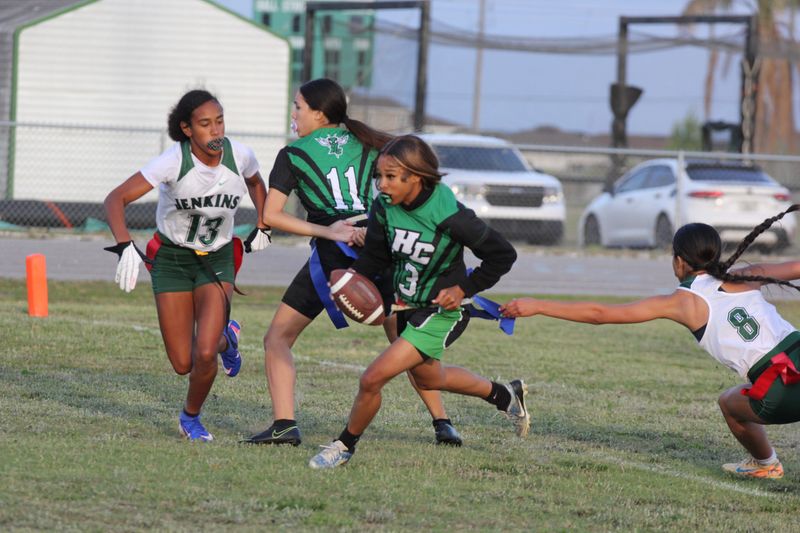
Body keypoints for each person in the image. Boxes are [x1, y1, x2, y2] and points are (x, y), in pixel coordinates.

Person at [500, 205, 800, 480]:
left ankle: (767, 464)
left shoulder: (683, 302)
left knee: (729, 404)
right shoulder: (747, 275)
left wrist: (538, 305)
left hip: (779, 387)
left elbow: (599, 313)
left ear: (679, 261)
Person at [244, 78, 463, 447]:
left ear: (319, 112)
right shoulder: (367, 143)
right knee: (403, 339)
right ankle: (443, 422)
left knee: (277, 337)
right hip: (377, 243)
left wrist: (329, 231)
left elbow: (273, 215)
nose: (293, 114)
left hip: (337, 253)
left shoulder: (293, 154)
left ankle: (284, 425)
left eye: (298, 106)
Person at [308, 134, 530, 469]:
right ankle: (503, 395)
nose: (382, 185)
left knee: (371, 378)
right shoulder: (384, 206)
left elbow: (502, 254)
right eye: (379, 176)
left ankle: (344, 445)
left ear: (417, 177)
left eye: (391, 177)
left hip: (441, 311)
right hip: (406, 303)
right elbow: (376, 258)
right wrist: (350, 279)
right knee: (429, 379)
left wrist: (464, 289)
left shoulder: (447, 212)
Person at [104, 89, 270, 441]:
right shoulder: (170, 161)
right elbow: (115, 198)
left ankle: (190, 417)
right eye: (205, 124)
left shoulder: (240, 155)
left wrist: (263, 223)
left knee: (205, 351)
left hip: (218, 258)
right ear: (187, 129)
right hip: (172, 259)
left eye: (220, 121)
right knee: (184, 363)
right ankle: (229, 337)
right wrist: (124, 245)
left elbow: (256, 182)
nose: (215, 131)